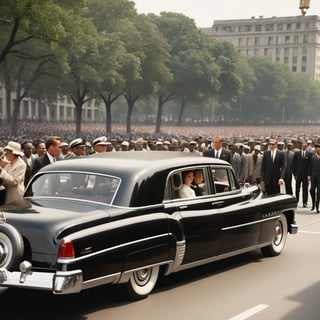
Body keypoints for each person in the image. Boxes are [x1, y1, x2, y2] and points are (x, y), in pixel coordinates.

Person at [292, 141, 311, 208]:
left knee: (305, 189)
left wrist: (309, 175)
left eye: (305, 146)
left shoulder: (309, 154)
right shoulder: (297, 154)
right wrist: (294, 174)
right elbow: (294, 164)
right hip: (298, 175)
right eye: (303, 146)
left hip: (306, 175)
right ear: (301, 146)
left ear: (306, 147)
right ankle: (296, 201)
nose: (304, 147)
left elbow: (310, 165)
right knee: (297, 188)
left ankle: (305, 202)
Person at [308, 144, 320, 213]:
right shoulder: (313, 158)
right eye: (317, 150)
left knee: (319, 193)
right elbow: (310, 167)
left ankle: (317, 207)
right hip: (313, 177)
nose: (318, 151)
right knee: (311, 190)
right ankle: (313, 203)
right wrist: (309, 175)